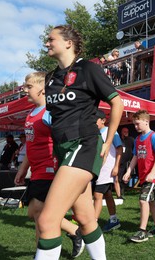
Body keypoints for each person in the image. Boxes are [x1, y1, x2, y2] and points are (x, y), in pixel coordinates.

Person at [35, 25, 123, 260]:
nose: (46, 43)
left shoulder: (88, 69)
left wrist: (106, 142)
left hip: (83, 145)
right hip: (64, 151)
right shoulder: (51, 77)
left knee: (47, 220)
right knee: (84, 217)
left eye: (50, 39)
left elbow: (117, 103)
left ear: (67, 43)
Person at [14, 71, 85, 258]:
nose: (25, 90)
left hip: (50, 169)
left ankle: (57, 242)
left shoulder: (50, 113)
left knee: (38, 211)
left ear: (43, 89)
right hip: (36, 171)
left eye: (29, 87)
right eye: (24, 86)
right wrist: (23, 169)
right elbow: (31, 146)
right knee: (35, 214)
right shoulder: (30, 114)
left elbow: (66, 141)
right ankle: (70, 233)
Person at [122, 110, 155, 243]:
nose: (135, 127)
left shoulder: (154, 136)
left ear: (146, 121)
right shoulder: (138, 139)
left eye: (137, 124)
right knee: (151, 201)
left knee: (143, 200)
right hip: (143, 176)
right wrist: (128, 171)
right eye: (134, 124)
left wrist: (152, 173)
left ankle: (142, 231)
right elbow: (135, 156)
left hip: (152, 177)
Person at [93, 110, 122, 232]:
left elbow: (119, 149)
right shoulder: (95, 134)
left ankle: (92, 225)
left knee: (97, 195)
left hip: (106, 169)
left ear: (103, 120)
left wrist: (116, 167)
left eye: (95, 121)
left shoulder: (111, 132)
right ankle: (114, 219)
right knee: (108, 194)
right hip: (98, 169)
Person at [115, 127, 134, 199]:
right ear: (121, 132)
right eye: (124, 131)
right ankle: (120, 193)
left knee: (125, 177)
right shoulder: (118, 139)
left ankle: (123, 191)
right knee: (119, 177)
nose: (126, 132)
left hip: (128, 162)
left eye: (127, 131)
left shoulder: (131, 140)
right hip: (120, 161)